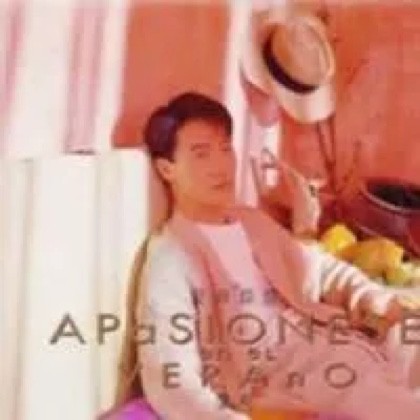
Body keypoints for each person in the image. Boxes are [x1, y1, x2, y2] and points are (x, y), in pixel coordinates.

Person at [115, 92, 420, 420]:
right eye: (201, 154)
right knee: (394, 402)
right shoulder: (171, 258)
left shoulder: (250, 221)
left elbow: (320, 271)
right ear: (167, 169)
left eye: (225, 149)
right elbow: (170, 378)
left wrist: (380, 301)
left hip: (343, 339)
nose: (220, 166)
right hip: (290, 377)